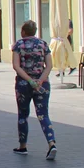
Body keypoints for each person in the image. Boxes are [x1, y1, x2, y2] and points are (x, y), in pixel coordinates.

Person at [11, 19, 57, 160]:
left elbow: (16, 66)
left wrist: (30, 81)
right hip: (42, 85)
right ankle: (51, 143)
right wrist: (40, 81)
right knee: (43, 114)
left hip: (24, 85)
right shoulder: (43, 44)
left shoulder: (19, 45)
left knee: (23, 115)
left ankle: (23, 146)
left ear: (23, 32)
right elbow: (49, 65)